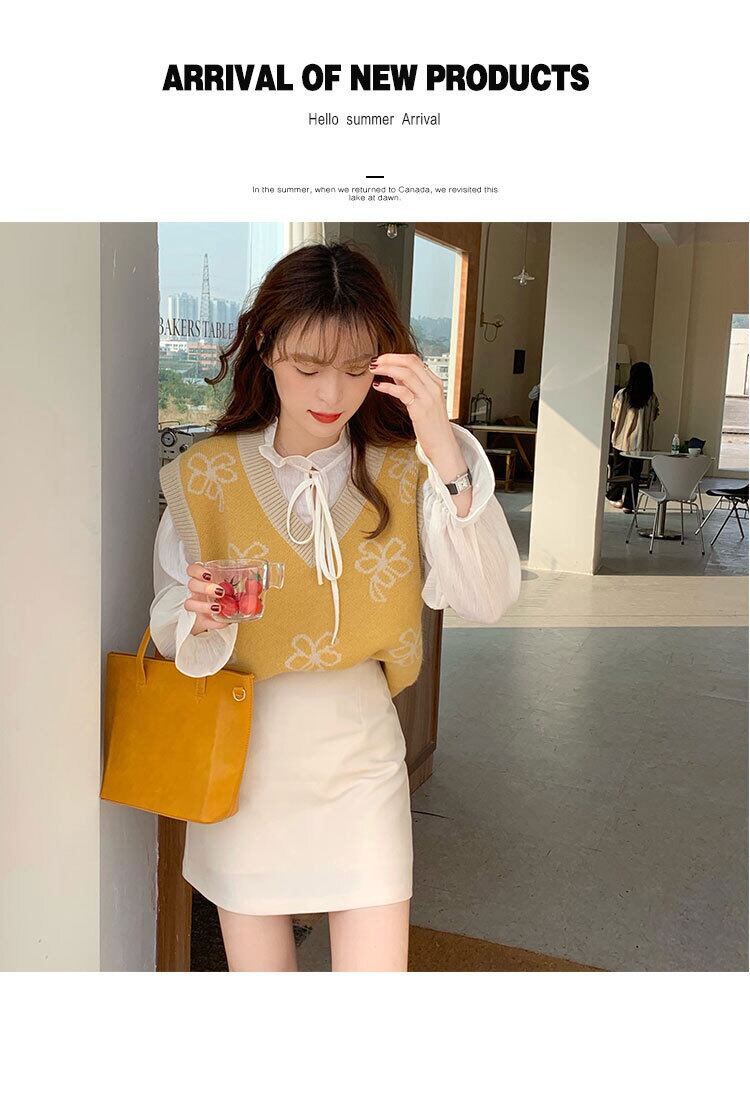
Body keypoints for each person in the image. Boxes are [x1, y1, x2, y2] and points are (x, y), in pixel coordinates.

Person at [151, 242, 523, 972]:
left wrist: (443, 447)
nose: (332, 392)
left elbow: (488, 596)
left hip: (362, 764)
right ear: (266, 349)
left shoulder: (408, 471)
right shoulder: (205, 477)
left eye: (356, 369)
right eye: (308, 366)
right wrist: (198, 618)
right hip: (242, 766)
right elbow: (168, 622)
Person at [606, 361, 660, 514]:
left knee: (619, 469)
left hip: (621, 439)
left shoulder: (622, 394)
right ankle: (629, 505)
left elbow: (613, 416)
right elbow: (654, 417)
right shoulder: (651, 397)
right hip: (641, 442)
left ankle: (615, 497)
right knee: (635, 474)